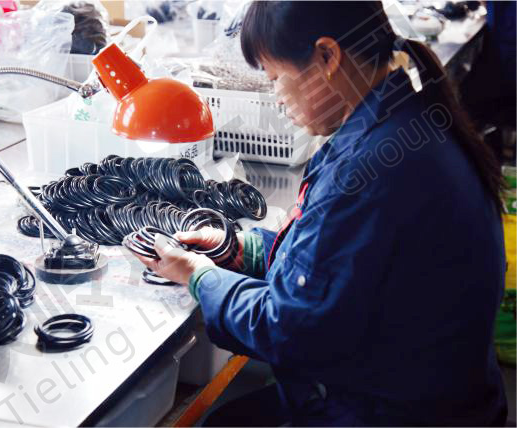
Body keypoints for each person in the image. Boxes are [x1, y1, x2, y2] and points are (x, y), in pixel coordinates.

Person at [130, 1, 507, 425]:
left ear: (328, 56)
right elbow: (337, 260)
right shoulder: (402, 120)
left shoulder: (370, 171)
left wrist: (198, 275)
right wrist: (238, 250)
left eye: (276, 78)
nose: (276, 98)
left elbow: (288, 329)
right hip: (422, 391)